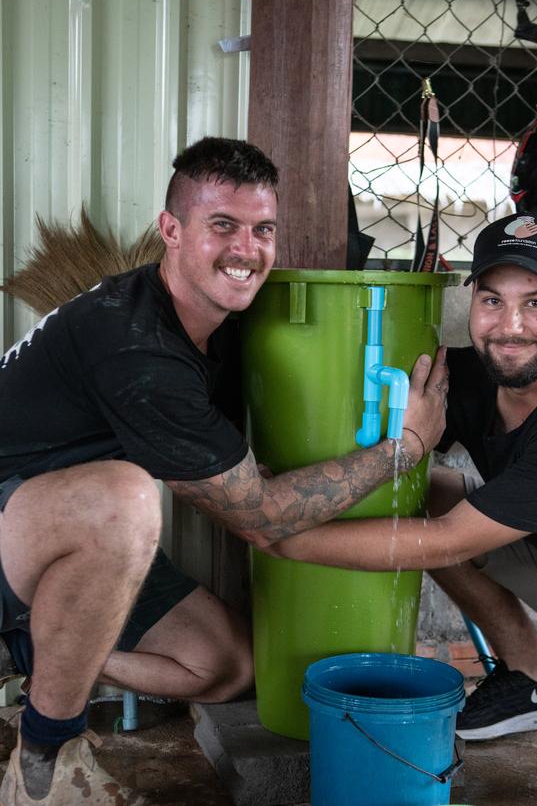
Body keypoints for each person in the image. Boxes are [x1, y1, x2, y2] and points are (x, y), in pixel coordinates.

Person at [0, 136, 448, 806]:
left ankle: (29, 647)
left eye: (262, 228)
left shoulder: (212, 324)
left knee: (225, 663)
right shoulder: (135, 346)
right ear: (170, 231)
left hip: (62, 533)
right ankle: (44, 757)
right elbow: (261, 514)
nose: (247, 248)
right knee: (126, 499)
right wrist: (402, 449)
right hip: (25, 520)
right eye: (222, 226)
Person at [271, 210, 537, 741]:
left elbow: (445, 544)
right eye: (493, 300)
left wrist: (281, 540)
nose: (509, 326)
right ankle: (536, 679)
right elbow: (395, 465)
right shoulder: (474, 375)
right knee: (429, 490)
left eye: (536, 302)